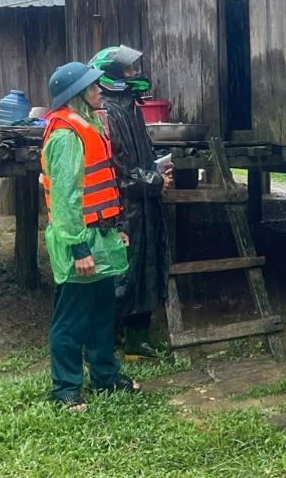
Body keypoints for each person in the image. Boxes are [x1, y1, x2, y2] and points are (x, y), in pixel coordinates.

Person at [41, 61, 140, 411]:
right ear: (77, 94)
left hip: (101, 235)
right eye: (93, 85)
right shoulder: (66, 136)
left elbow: (101, 188)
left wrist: (115, 231)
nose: (100, 89)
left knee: (102, 312)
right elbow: (67, 201)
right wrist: (79, 248)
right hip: (79, 241)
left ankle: (104, 376)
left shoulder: (90, 126)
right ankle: (65, 388)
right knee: (71, 316)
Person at [89, 45, 172, 360]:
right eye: (129, 70)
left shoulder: (131, 106)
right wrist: (154, 180)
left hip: (145, 202)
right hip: (123, 207)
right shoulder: (108, 112)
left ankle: (137, 339)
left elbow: (143, 156)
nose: (136, 74)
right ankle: (104, 343)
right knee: (121, 274)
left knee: (147, 270)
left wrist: (159, 170)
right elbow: (118, 168)